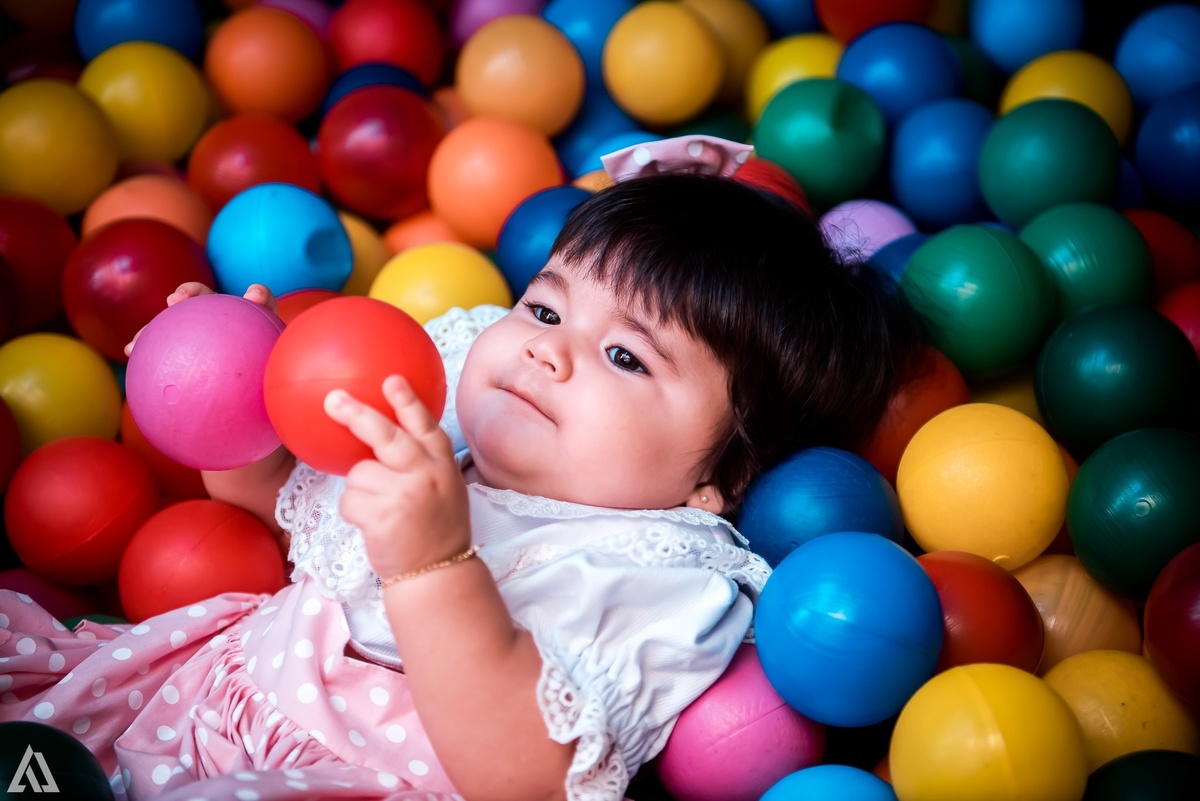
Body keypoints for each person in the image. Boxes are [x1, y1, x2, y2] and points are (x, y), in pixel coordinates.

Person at [0, 137, 926, 801]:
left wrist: (436, 567)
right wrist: (236, 402)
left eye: (628, 358)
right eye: (547, 311)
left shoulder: (657, 580)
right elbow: (283, 512)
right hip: (194, 698)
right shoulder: (440, 434)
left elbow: (526, 775)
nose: (548, 355)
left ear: (717, 477)